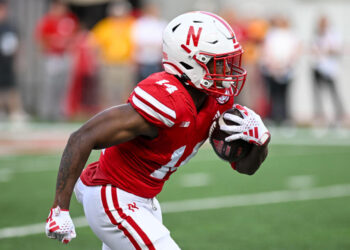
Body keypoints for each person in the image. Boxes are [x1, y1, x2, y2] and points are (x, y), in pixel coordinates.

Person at [45, 11, 271, 249]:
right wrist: (60, 208)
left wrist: (260, 143)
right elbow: (82, 137)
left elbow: (246, 168)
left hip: (145, 200)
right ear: (190, 61)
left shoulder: (219, 99)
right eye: (218, 62)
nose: (227, 71)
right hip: (113, 195)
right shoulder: (166, 99)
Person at [35, 0, 78, 121]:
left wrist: (70, 48)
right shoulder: (48, 20)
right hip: (52, 56)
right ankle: (46, 113)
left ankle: (61, 113)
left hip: (65, 55)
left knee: (63, 86)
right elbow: (41, 39)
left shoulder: (69, 19)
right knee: (49, 86)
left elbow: (74, 36)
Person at [91, 0, 135, 109]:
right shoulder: (104, 25)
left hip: (126, 63)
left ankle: (122, 115)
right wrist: (98, 59)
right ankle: (107, 113)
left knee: (125, 90)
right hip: (109, 63)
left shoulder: (132, 24)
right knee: (107, 91)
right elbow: (95, 44)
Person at [260, 16, 300, 125]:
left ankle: (285, 117)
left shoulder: (291, 35)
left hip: (287, 69)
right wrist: (273, 65)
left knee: (284, 95)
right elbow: (266, 50)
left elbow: (295, 51)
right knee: (273, 94)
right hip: (272, 69)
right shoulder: (271, 34)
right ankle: (272, 117)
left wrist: (285, 64)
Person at [311, 15, 344, 126]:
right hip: (318, 67)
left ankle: (339, 116)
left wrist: (327, 49)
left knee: (334, 93)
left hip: (329, 69)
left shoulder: (333, 34)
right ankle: (320, 117)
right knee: (318, 95)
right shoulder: (317, 34)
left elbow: (336, 49)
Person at [0, 0, 25, 121]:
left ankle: (15, 111)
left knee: (11, 87)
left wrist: (18, 60)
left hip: (7, 62)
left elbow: (17, 45)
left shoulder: (10, 26)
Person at [131, 2, 166, 85]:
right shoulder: (140, 23)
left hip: (156, 60)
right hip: (143, 60)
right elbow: (137, 41)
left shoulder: (161, 23)